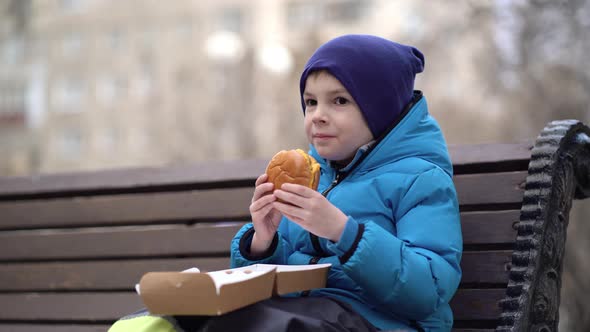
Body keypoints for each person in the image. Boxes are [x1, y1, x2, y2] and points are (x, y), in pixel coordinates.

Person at [109, 34, 462, 332]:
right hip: (301, 313)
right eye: (310, 102)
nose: (317, 115)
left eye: (339, 100)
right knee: (162, 321)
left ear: (380, 107)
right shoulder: (310, 174)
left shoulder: (420, 180)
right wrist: (263, 241)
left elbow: (428, 289)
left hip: (374, 321)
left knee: (246, 324)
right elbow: (275, 281)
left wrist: (344, 232)